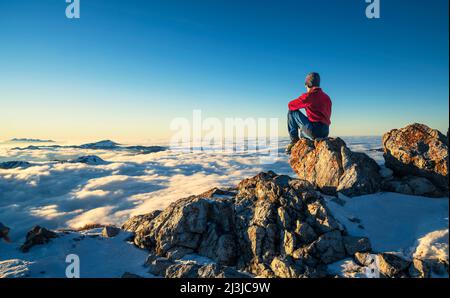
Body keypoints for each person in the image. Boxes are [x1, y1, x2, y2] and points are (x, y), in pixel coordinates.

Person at [285, 72, 332, 154]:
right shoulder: (327, 97)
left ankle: (294, 141)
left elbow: (290, 105)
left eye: (306, 85)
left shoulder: (309, 96)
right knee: (309, 123)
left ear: (308, 84)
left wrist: (302, 98)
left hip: (314, 131)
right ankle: (304, 136)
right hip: (325, 132)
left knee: (292, 112)